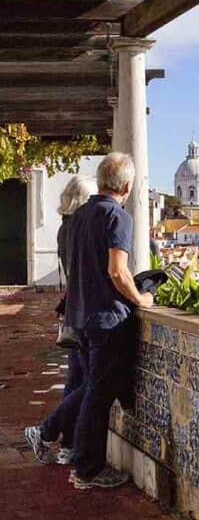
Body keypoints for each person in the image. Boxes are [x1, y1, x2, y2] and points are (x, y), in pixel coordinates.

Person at [25, 152, 153, 489]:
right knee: (97, 394)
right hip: (107, 320)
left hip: (80, 316)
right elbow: (117, 271)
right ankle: (86, 469)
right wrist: (141, 299)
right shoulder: (118, 217)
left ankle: (54, 435)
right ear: (127, 184)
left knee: (91, 387)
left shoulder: (78, 217)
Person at [55, 176, 97, 465]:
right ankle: (49, 430)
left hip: (73, 311)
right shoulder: (80, 229)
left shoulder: (63, 229)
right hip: (85, 312)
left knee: (75, 378)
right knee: (92, 381)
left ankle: (66, 442)